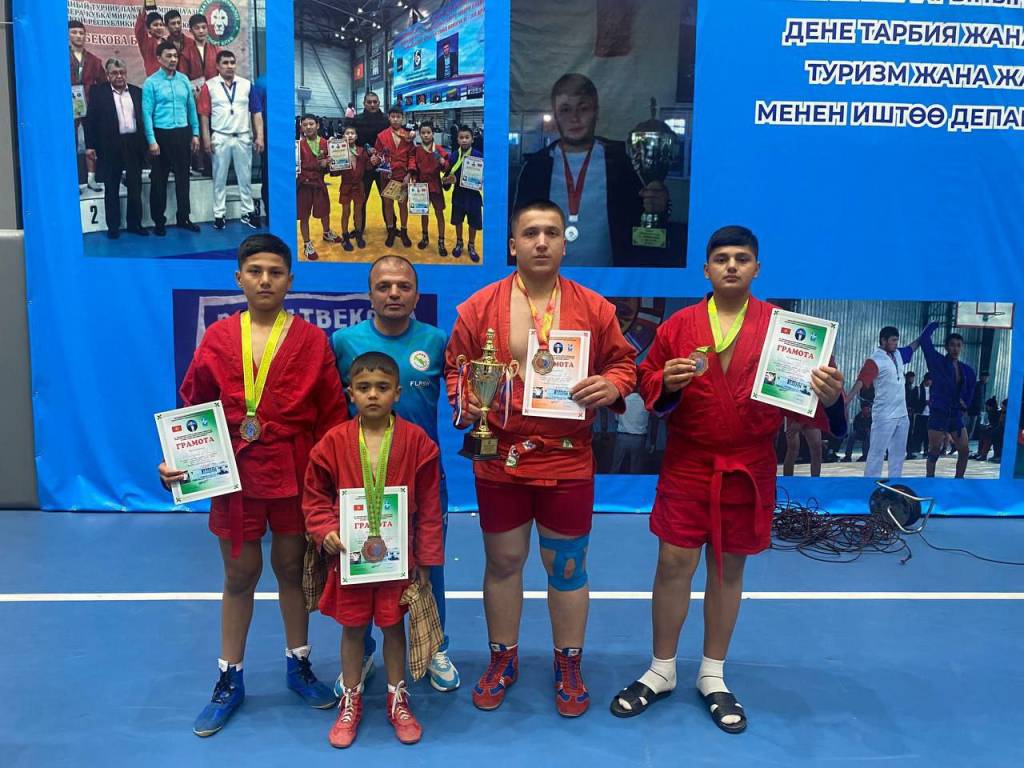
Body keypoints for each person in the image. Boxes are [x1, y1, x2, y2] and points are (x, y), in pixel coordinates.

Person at [609, 226, 846, 734]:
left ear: (757, 268)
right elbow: (648, 380)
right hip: (689, 462)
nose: (731, 265)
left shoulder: (786, 331)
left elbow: (813, 402)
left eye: (741, 258)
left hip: (747, 466)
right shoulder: (679, 325)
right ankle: (662, 669)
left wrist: (831, 398)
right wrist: (667, 384)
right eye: (721, 258)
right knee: (673, 564)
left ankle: (712, 673)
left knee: (727, 569)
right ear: (706, 269)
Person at [444, 199, 637, 717]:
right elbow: (457, 368)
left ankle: (568, 663)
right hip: (501, 459)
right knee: (503, 562)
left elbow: (624, 364)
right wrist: (467, 400)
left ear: (564, 244)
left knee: (568, 567)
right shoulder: (478, 307)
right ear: (513, 245)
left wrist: (611, 385)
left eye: (552, 232)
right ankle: (502, 658)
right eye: (530, 233)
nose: (541, 241)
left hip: (567, 459)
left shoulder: (595, 309)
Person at [157, 234, 347, 737]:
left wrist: (331, 483)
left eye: (275, 272)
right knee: (239, 575)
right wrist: (175, 459)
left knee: (291, 570)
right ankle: (229, 677)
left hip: (295, 471)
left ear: (290, 281)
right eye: (256, 271)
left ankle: (299, 664)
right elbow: (193, 406)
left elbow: (331, 416)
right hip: (234, 475)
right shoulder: (219, 338)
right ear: (238, 278)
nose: (265, 280)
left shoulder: (312, 341)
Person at [332, 256, 459, 694]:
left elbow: (462, 398)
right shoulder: (344, 342)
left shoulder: (437, 341)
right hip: (361, 482)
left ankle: (436, 646)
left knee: (430, 564)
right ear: (370, 294)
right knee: (361, 570)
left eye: (403, 286)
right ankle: (364, 651)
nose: (393, 293)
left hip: (423, 480)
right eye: (384, 286)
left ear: (416, 295)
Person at [303, 351, 443, 748]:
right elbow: (315, 497)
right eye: (363, 388)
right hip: (351, 559)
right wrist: (325, 530)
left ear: (398, 393)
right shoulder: (333, 443)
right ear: (350, 393)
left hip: (398, 561)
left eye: (382, 387)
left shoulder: (418, 442)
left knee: (393, 628)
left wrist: (427, 558)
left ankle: (398, 699)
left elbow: (430, 507)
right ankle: (351, 699)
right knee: (352, 629)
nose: (373, 395)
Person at [512, 73, 669, 267]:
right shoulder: (535, 168)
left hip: (606, 280)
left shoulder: (623, 162)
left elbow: (644, 223)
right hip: (547, 279)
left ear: (596, 112)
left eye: (583, 108)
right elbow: (517, 228)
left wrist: (660, 206)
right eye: (565, 110)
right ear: (555, 115)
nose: (574, 118)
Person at [198, 50, 264, 231]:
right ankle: (219, 214)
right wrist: (206, 139)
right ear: (217, 66)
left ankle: (247, 212)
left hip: (242, 136)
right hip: (220, 136)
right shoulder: (209, 86)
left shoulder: (246, 85)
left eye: (232, 62)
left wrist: (259, 136)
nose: (229, 66)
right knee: (219, 179)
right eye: (225, 63)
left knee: (245, 178)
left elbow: (256, 112)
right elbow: (204, 115)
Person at [84, 58, 149, 239]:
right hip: (110, 145)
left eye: (122, 73)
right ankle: (113, 226)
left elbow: (144, 119)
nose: (119, 76)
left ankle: (135, 224)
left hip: (133, 144)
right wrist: (90, 146)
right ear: (107, 75)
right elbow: (90, 121)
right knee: (111, 187)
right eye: (114, 73)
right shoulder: (99, 93)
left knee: (135, 186)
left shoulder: (137, 92)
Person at [846, 326, 922, 479]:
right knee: (877, 453)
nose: (896, 343)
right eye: (893, 340)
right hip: (884, 415)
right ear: (883, 340)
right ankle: (870, 484)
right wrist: (847, 400)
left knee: (898, 454)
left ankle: (895, 482)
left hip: (902, 414)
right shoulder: (875, 360)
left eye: (897, 340)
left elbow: (912, 348)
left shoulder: (898, 354)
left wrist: (924, 335)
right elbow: (861, 381)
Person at [142, 41, 201, 236]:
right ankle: (159, 221)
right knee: (159, 180)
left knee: (183, 179)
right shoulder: (151, 83)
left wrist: (195, 134)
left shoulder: (184, 80)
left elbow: (191, 109)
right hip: (161, 135)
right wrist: (151, 140)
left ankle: (184, 218)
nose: (173, 59)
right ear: (159, 58)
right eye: (168, 56)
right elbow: (146, 114)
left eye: (175, 56)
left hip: (182, 134)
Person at [919, 323, 977, 478]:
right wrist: (934, 325)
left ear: (962, 347)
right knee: (934, 450)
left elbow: (972, 387)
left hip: (955, 415)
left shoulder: (967, 370)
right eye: (952, 345)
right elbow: (924, 340)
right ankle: (930, 479)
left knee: (964, 450)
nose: (955, 348)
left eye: (958, 345)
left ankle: (959, 479)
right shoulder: (936, 362)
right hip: (939, 413)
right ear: (946, 347)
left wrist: (966, 403)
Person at [296, 114, 341, 261]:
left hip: (319, 183)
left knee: (324, 210)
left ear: (318, 125)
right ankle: (307, 243)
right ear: (301, 127)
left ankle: (326, 232)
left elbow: (333, 168)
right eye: (305, 125)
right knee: (304, 215)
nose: (308, 127)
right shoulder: (297, 146)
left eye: (311, 124)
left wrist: (327, 164)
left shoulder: (326, 143)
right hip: (304, 185)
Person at [69, 21, 106, 195]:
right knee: (70, 142)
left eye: (81, 33)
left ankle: (91, 178)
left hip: (89, 106)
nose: (78, 36)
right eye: (74, 32)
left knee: (91, 142)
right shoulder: (59, 57)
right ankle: (73, 181)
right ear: (67, 35)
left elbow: (103, 84)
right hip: (68, 106)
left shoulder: (94, 60)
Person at [372, 104, 415, 248]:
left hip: (402, 176)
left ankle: (404, 231)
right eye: (393, 116)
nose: (395, 119)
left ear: (403, 118)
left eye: (398, 117)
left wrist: (409, 174)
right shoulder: (381, 136)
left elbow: (412, 156)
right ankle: (391, 230)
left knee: (402, 205)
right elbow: (377, 153)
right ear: (389, 118)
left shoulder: (408, 136)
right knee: (388, 204)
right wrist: (375, 159)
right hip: (387, 176)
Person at [444, 124, 483, 263]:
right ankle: (459, 242)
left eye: (467, 137)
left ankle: (471, 245)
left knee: (473, 223)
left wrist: (480, 181)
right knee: (458, 221)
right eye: (461, 137)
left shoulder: (478, 156)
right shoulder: (453, 156)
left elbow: (483, 177)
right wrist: (447, 181)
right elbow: (448, 174)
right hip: (458, 195)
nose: (464, 140)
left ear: (472, 139)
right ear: (457, 140)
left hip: (473, 196)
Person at [353, 91, 390, 236]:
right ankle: (359, 228)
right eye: (369, 102)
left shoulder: (386, 119)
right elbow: (353, 141)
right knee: (361, 199)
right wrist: (366, 150)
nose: (372, 104)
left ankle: (391, 227)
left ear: (379, 103)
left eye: (375, 102)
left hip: (384, 165)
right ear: (364, 103)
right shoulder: (357, 120)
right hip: (364, 165)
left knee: (387, 198)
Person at [411, 121, 450, 257]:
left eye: (428, 132)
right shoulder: (417, 150)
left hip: (435, 184)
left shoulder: (438, 149)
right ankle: (425, 237)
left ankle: (441, 241)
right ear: (419, 134)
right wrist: (414, 177)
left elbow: (447, 166)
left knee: (439, 213)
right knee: (424, 213)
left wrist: (444, 163)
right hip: (421, 186)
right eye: (423, 133)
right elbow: (413, 166)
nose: (426, 135)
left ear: (433, 133)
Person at [331, 122, 368, 252]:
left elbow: (368, 167)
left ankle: (358, 234)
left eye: (352, 133)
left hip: (359, 186)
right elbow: (335, 173)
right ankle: (345, 236)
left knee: (358, 212)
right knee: (345, 212)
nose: (350, 135)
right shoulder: (339, 151)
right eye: (347, 133)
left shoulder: (362, 151)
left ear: (356, 136)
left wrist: (375, 160)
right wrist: (332, 163)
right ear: (343, 136)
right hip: (346, 186)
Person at [611, 392, 651, 473]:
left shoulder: (622, 400)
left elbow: (616, 419)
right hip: (639, 438)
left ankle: (611, 481)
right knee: (635, 470)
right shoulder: (646, 401)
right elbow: (652, 419)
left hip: (622, 436)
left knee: (615, 466)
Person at [180, 13, 220, 84]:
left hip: (214, 88)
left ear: (207, 29)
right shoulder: (185, 53)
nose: (201, 31)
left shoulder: (216, 50)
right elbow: (183, 78)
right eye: (197, 28)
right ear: (191, 31)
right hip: (194, 90)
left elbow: (222, 72)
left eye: (204, 27)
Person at [135, 5, 168, 77]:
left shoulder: (168, 43)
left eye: (161, 25)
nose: (159, 27)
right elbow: (139, 30)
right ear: (148, 29)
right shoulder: (146, 43)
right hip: (154, 80)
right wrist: (145, 7)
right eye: (155, 25)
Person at [967, 371, 989, 440]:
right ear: (981, 377)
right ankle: (967, 438)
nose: (986, 379)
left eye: (987, 378)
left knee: (977, 424)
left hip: (979, 408)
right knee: (972, 424)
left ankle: (972, 437)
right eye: (985, 377)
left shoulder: (983, 386)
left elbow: (982, 398)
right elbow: (973, 396)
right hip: (974, 408)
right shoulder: (977, 385)